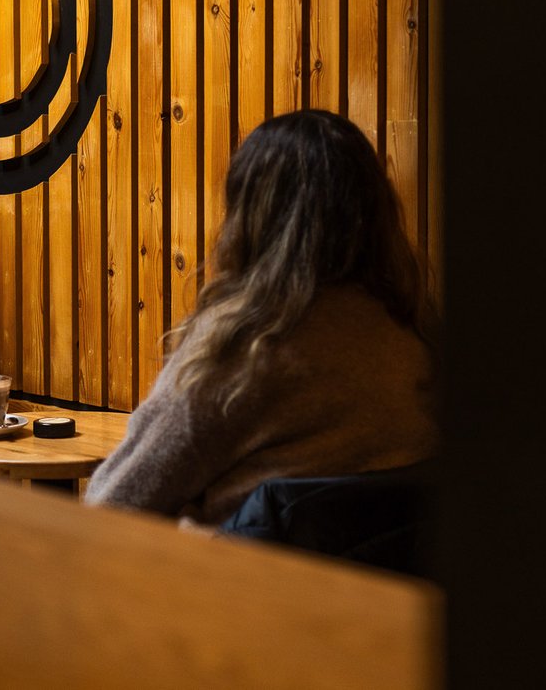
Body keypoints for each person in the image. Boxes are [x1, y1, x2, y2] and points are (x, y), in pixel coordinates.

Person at [85, 109, 439, 524]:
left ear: (251, 218)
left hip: (239, 585)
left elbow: (112, 502)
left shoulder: (243, 352)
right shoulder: (413, 333)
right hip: (387, 587)